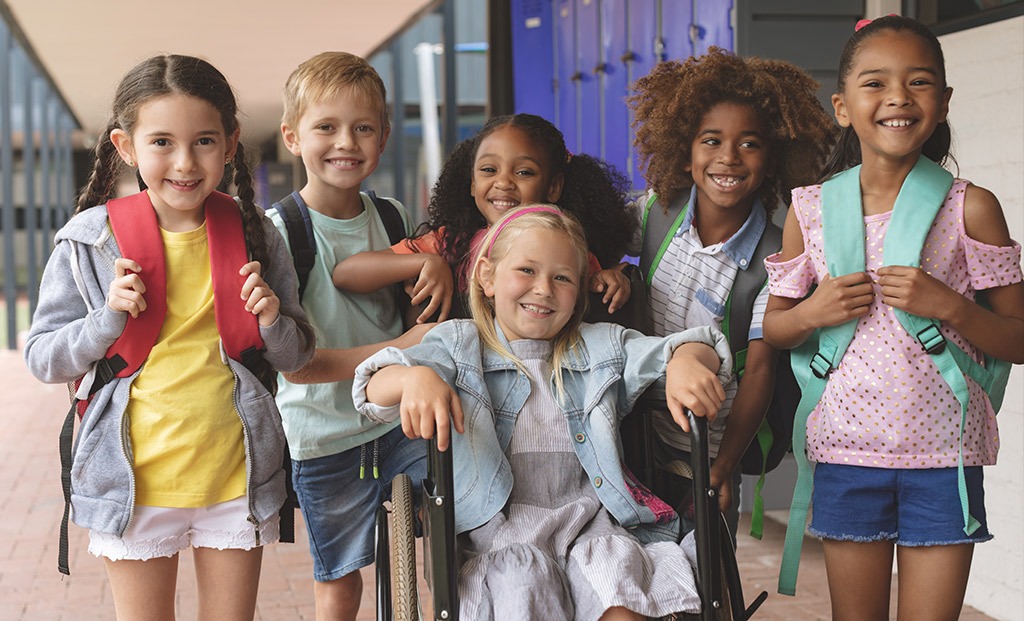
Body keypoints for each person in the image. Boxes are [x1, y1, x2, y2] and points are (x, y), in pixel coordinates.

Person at [23, 54, 316, 620]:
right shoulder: (88, 241)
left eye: (204, 141)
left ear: (231, 143)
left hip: (237, 477)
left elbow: (297, 356)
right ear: (125, 146)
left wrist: (273, 322)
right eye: (162, 142)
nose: (184, 162)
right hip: (133, 485)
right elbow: (42, 357)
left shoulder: (257, 235)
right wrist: (106, 320)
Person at [353, 206, 734, 620]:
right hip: (500, 534)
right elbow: (373, 383)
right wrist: (413, 380)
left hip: (590, 524)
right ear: (487, 277)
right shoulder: (459, 346)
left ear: (579, 292)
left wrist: (686, 362)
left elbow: (696, 344)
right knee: (523, 587)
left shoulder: (601, 346)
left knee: (620, 598)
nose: (544, 289)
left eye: (562, 278)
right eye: (527, 270)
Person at [762, 15, 1023, 619]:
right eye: (875, 83)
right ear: (843, 106)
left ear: (945, 101)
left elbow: (1017, 337)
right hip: (846, 454)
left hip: (945, 459)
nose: (898, 98)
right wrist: (813, 312)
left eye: (920, 82)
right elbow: (775, 329)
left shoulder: (971, 208)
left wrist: (949, 305)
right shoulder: (811, 209)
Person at [627, 47, 836, 539]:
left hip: (706, 442)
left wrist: (721, 467)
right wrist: (608, 269)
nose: (727, 157)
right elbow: (579, 246)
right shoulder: (657, 211)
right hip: (632, 429)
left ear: (774, 158)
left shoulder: (775, 256)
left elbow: (760, 371)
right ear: (686, 150)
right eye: (711, 141)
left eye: (749, 144)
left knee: (707, 578)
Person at [271, 51, 433, 621]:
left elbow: (415, 301)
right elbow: (296, 365)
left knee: (448, 542)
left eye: (363, 127)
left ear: (384, 137)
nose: (347, 141)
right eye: (326, 127)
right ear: (292, 137)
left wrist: (427, 263)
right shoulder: (280, 231)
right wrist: (404, 352)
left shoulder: (390, 215)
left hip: (400, 421)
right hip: (325, 434)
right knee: (340, 581)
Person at [332, 113, 639, 322]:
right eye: (489, 170)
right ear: (471, 182)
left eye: (524, 172)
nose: (503, 183)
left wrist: (606, 280)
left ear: (554, 186)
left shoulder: (568, 251)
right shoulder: (448, 244)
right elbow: (347, 273)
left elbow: (592, 290)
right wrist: (426, 262)